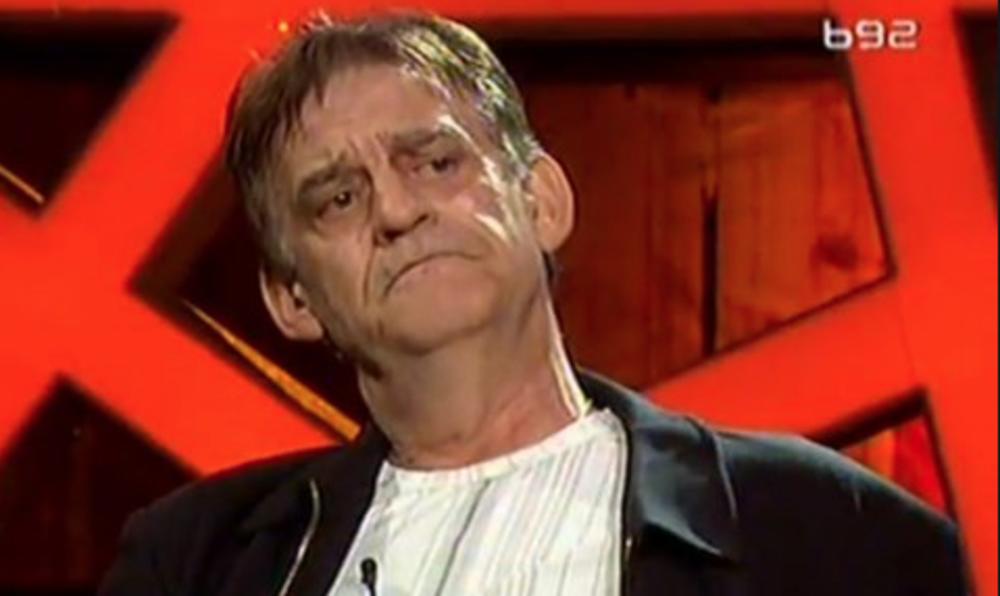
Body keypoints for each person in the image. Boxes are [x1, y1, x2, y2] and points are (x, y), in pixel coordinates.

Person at [99, 12, 969, 596]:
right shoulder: (196, 562)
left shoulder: (822, 530)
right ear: (292, 298)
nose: (397, 210)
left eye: (435, 162)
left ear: (542, 200)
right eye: (339, 198)